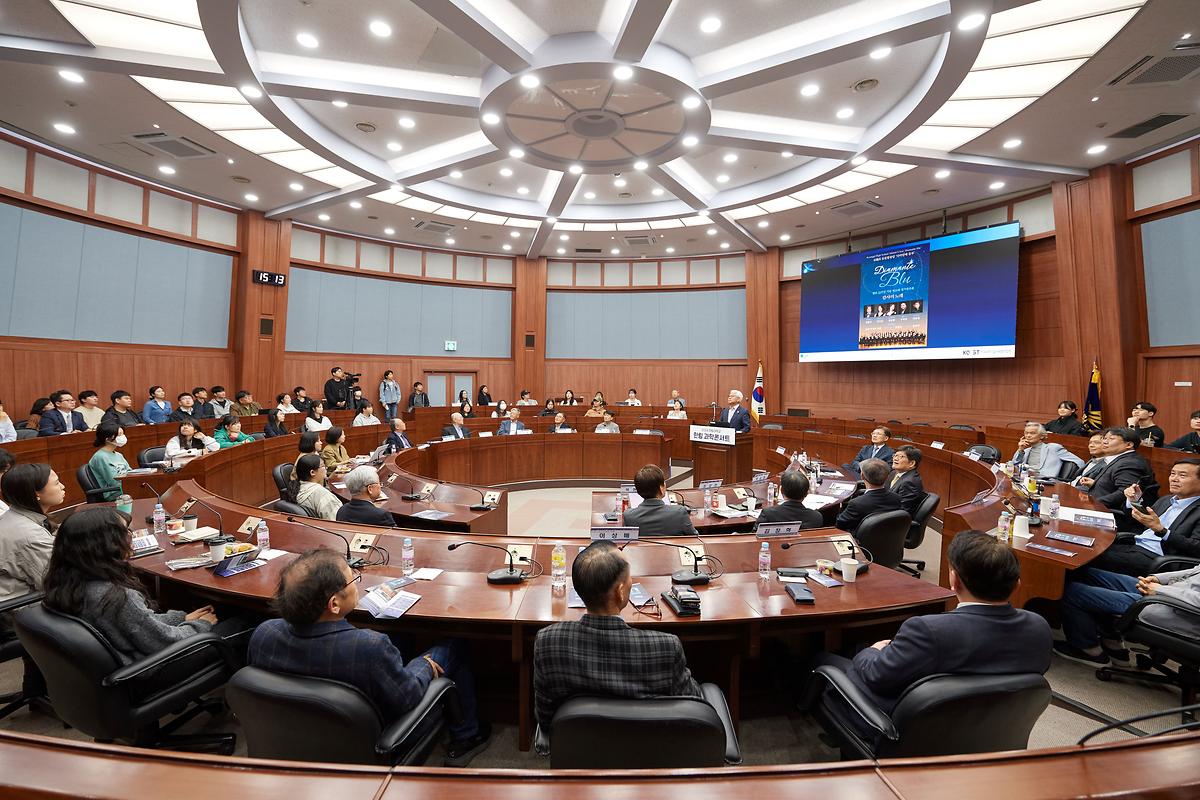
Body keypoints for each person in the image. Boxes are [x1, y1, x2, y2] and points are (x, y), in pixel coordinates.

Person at [248, 548, 490, 766]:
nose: (356, 584)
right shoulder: (369, 648)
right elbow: (409, 696)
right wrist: (424, 665)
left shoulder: (264, 634)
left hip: (297, 738)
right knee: (454, 645)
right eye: (352, 579)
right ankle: (466, 736)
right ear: (334, 604)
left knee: (400, 638)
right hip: (377, 740)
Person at [807, 531, 1051, 742]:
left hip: (905, 730)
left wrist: (872, 650)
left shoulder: (929, 631)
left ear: (954, 580)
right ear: (1017, 584)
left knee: (824, 660)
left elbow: (877, 676)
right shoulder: (1039, 628)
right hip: (989, 732)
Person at [42, 507, 251, 666]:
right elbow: (164, 642)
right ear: (106, 544)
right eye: (125, 532)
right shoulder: (116, 597)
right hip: (152, 668)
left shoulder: (66, 582)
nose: (130, 536)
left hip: (125, 661)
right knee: (247, 622)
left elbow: (137, 625)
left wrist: (182, 618)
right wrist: (200, 625)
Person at [534, 541, 701, 729]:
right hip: (650, 744)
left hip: (577, 744)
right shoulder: (666, 647)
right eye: (629, 577)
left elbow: (545, 718)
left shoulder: (548, 642)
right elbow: (693, 707)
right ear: (620, 592)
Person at [1056, 557, 1200, 666]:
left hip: (1175, 610)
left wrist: (1160, 589)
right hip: (1169, 593)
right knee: (1084, 573)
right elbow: (1194, 571)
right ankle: (1113, 646)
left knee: (1072, 592)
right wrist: (1158, 578)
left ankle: (1089, 650)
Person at [1085, 458, 1200, 577]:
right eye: (1172, 474)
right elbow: (1139, 523)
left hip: (1157, 558)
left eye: (1182, 475)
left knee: (1090, 556)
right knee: (1087, 547)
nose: (1174, 479)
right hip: (1135, 546)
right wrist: (1134, 501)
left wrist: (1162, 531)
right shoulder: (1166, 500)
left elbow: (1196, 547)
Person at [0, 464, 66, 606]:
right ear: (36, 494)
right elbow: (57, 583)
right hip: (20, 609)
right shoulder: (30, 536)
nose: (63, 486)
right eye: (56, 483)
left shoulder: (14, 516)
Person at [1078, 427, 1159, 532]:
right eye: (1104, 438)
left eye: (1111, 439)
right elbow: (1116, 485)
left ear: (1128, 445)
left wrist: (1093, 503)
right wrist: (1096, 483)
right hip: (1100, 509)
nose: (1105, 442)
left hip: (1112, 517)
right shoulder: (1121, 459)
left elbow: (1124, 493)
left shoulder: (1129, 463)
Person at [621, 464, 697, 538]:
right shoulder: (679, 512)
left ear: (638, 491)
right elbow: (695, 538)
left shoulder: (628, 516)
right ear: (661, 488)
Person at [835, 459, 903, 534]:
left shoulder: (856, 504)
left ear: (862, 476)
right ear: (887, 477)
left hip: (859, 539)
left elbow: (839, 524)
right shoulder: (897, 498)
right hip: (888, 537)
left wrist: (841, 506)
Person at [1011, 422, 1084, 479]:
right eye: (1026, 433)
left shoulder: (1054, 448)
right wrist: (1020, 450)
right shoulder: (1025, 451)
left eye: (1032, 433)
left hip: (1045, 480)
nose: (1028, 435)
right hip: (1025, 479)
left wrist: (1078, 479)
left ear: (1042, 436)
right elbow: (1013, 465)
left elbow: (1080, 462)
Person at [756, 470, 824, 528]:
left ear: (781, 491)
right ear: (806, 494)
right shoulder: (816, 517)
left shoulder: (768, 514)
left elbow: (753, 536)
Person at [285, 454, 341, 520]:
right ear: (312, 472)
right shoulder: (323, 495)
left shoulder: (296, 487)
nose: (326, 468)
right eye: (323, 466)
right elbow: (338, 521)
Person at [87, 423, 131, 501]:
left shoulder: (119, 455)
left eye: (123, 434)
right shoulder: (100, 457)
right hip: (114, 493)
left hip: (125, 488)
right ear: (107, 439)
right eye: (119, 434)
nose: (123, 437)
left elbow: (130, 472)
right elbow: (113, 482)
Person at [887, 445, 925, 516]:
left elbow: (902, 511)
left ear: (912, 463)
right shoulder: (893, 473)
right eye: (895, 455)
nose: (895, 458)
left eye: (901, 457)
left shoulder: (909, 483)